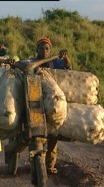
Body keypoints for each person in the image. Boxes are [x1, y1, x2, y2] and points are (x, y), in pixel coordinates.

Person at [17, 37, 71, 174]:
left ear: (50, 50)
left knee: (53, 137)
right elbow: (22, 63)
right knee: (29, 133)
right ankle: (27, 158)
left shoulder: (55, 62)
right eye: (41, 48)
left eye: (47, 48)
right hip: (34, 100)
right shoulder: (32, 61)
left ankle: (49, 165)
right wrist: (15, 63)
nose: (44, 51)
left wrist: (65, 57)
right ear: (37, 50)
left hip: (50, 103)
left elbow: (68, 67)